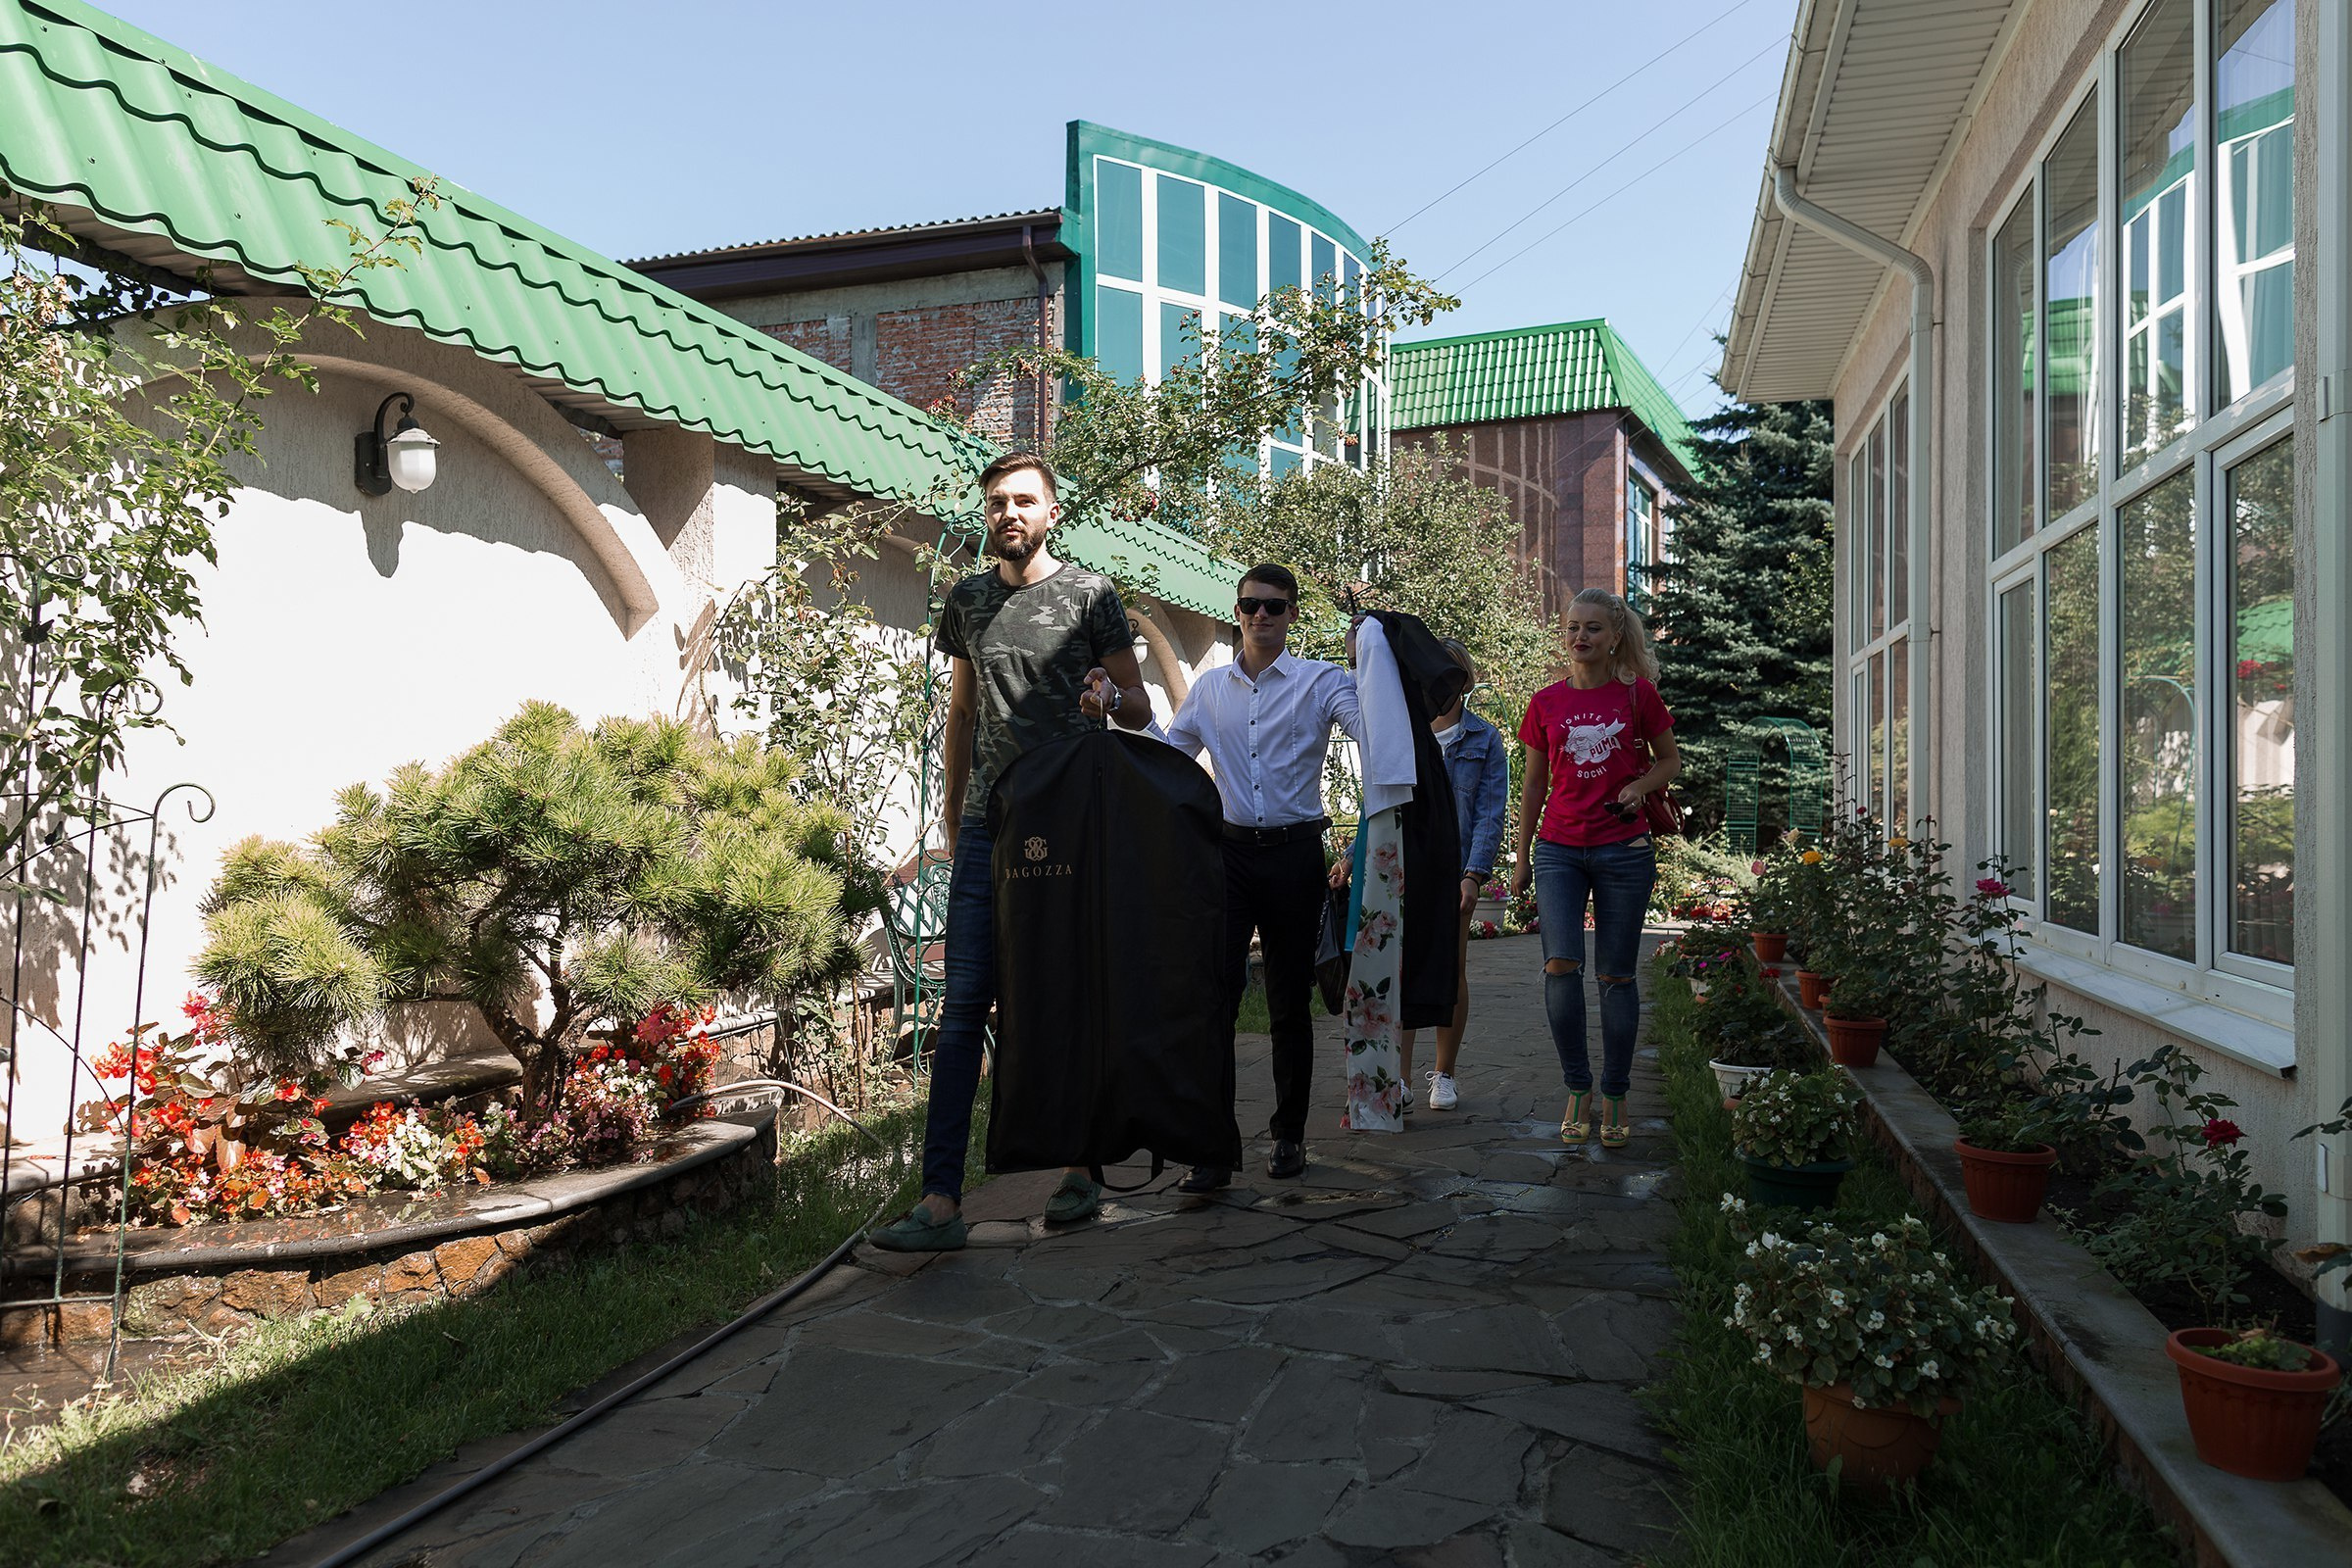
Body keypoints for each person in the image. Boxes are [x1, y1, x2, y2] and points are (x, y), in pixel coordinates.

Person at [870, 451, 1153, 1252]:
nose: (1009, 513)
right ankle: (940, 1200)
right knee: (963, 1006)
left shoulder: (1091, 595)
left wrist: (1107, 698)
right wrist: (952, 811)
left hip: (1069, 822)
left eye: (1025, 500)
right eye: (997, 501)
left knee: (1062, 996)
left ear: (1052, 513)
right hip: (987, 829)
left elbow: (1137, 706)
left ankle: (1081, 1169)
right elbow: (962, 713)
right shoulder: (967, 600)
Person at [1163, 564, 1363, 1190]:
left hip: (1295, 855)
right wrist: (1115, 712)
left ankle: (1289, 1134)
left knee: (1287, 1003)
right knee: (1215, 999)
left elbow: (1371, 730)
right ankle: (1213, 1148)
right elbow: (1169, 761)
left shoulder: (1321, 681)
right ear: (1237, 611)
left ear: (1292, 614)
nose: (1260, 616)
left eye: (1274, 606)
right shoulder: (1209, 689)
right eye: (1250, 605)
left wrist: (1373, 659)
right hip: (1228, 857)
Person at [1509, 588, 1680, 1151]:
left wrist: (1638, 787)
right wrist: (1522, 856)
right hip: (1558, 849)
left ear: (1615, 636)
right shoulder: (1545, 702)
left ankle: (1616, 1093)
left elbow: (1670, 761)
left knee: (1616, 976)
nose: (1580, 636)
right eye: (1573, 627)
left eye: (1593, 628)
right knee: (1560, 965)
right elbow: (1534, 784)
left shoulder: (1638, 695)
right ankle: (1577, 1087)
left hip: (1623, 850)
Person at [1402, 639, 1509, 1112]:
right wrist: (1350, 855)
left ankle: (1444, 1074)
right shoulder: (1404, 732)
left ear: (1463, 681)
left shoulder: (1484, 739)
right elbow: (1380, 802)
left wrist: (1473, 874)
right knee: (1402, 969)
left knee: (1451, 969)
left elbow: (1490, 813)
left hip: (1453, 872)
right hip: (1404, 868)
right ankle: (1399, 1078)